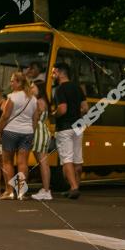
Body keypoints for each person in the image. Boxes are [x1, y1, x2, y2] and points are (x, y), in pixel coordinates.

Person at [0, 72, 38, 200]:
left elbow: (5, 116)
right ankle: (21, 192)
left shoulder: (12, 97)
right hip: (27, 132)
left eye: (13, 81)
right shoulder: (33, 99)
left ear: (19, 83)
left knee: (7, 162)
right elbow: (35, 119)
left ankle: (9, 191)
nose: (11, 83)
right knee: (23, 163)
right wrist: (32, 132)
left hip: (11, 131)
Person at [51, 62, 88, 199]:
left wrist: (53, 114)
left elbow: (62, 109)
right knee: (78, 159)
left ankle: (73, 187)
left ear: (61, 73)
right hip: (78, 126)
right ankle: (75, 186)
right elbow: (85, 108)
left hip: (64, 127)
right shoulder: (78, 88)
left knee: (67, 159)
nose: (52, 75)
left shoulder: (60, 89)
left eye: (54, 72)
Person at [30, 80, 54, 200]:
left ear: (39, 88)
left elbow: (34, 120)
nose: (31, 89)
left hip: (38, 132)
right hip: (43, 131)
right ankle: (45, 189)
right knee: (43, 162)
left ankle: (46, 190)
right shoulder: (44, 101)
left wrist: (30, 134)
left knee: (43, 162)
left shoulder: (38, 101)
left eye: (33, 87)